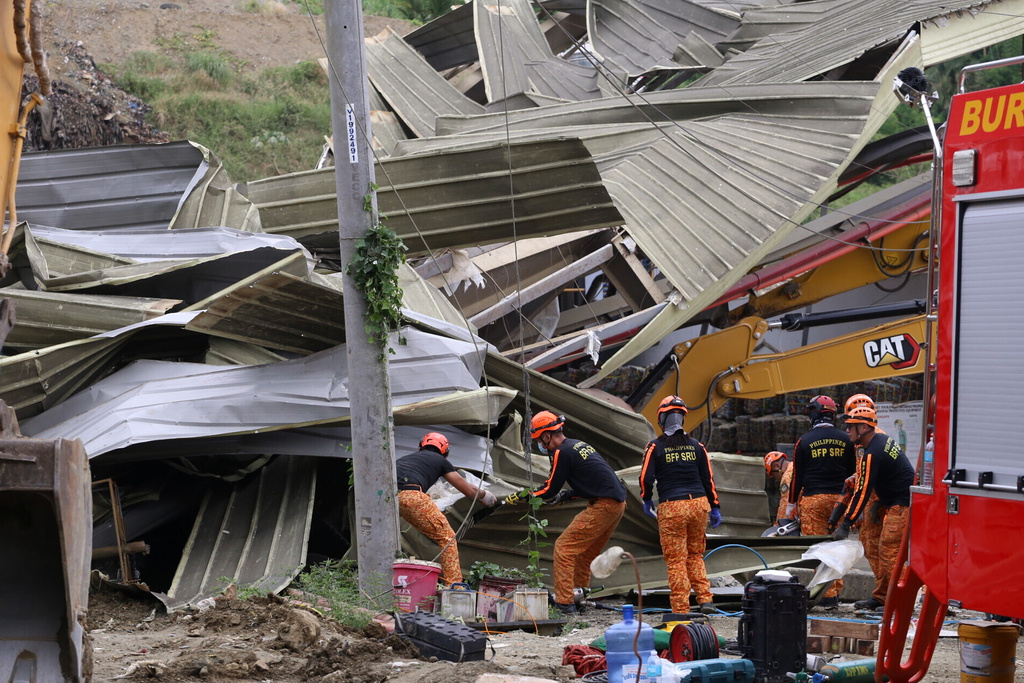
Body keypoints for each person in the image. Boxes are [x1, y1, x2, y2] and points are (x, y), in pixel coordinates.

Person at [504, 410, 627, 614]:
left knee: (564, 548)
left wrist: (525, 495)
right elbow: (590, 481)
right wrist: (564, 496)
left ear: (546, 436)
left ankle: (564, 602)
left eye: (540, 441)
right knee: (584, 555)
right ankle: (581, 599)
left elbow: (550, 488)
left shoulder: (562, 452)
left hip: (604, 505)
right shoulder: (578, 445)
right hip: (617, 504)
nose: (541, 446)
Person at [639, 396, 722, 615]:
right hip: (698, 505)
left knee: (676, 560)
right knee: (695, 555)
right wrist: (714, 507)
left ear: (661, 419)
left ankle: (681, 609)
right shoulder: (697, 446)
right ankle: (706, 600)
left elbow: (645, 479)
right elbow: (708, 480)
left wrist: (646, 499)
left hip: (672, 507)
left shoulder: (654, 447)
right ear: (683, 418)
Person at [832, 406, 914, 611]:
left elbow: (862, 491)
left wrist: (846, 522)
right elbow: (893, 474)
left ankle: (900, 603)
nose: (847, 431)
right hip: (897, 501)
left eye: (851, 427)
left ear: (864, 427)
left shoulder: (872, 453)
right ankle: (882, 598)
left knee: (889, 552)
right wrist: (882, 501)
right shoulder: (879, 442)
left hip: (903, 505)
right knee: (882, 550)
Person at [396, 432, 498, 585]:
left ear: (420, 446)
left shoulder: (404, 459)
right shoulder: (440, 461)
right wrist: (485, 496)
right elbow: (469, 491)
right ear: (445, 452)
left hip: (387, 499)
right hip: (412, 496)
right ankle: (454, 586)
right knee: (447, 538)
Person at [786, 395, 856, 609]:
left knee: (819, 548)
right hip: (840, 500)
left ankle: (827, 597)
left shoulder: (804, 441)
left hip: (813, 501)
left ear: (814, 414)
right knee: (837, 547)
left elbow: (797, 476)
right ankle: (834, 592)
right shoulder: (847, 440)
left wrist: (790, 505)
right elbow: (854, 473)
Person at [841, 394, 883, 600]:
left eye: (851, 423)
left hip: (875, 501)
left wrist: (850, 517)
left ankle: (885, 595)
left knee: (878, 549)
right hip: (872, 499)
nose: (847, 429)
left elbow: (867, 482)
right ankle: (882, 593)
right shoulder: (869, 439)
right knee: (871, 548)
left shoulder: (870, 443)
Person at [764, 451, 793, 524]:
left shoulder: (787, 477)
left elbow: (785, 504)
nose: (776, 479)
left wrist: (778, 525)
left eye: (773, 474)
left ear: (777, 466)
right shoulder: (795, 466)